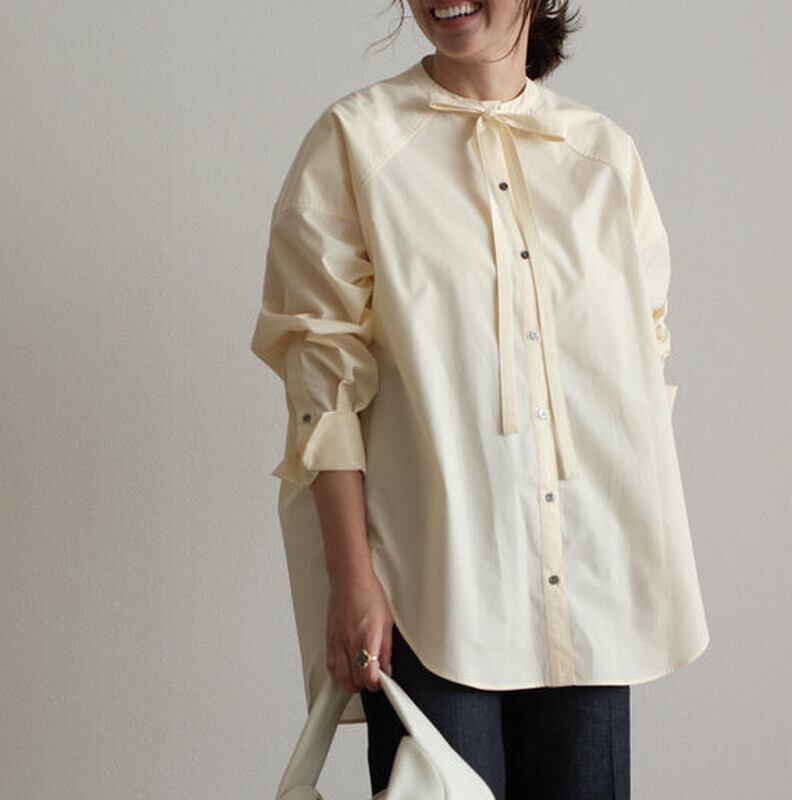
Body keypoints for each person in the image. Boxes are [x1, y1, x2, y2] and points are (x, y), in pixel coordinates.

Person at [250, 1, 710, 797]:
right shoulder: (356, 142)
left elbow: (643, 364)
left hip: (590, 595)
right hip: (432, 593)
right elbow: (322, 382)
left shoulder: (604, 157)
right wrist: (351, 578)